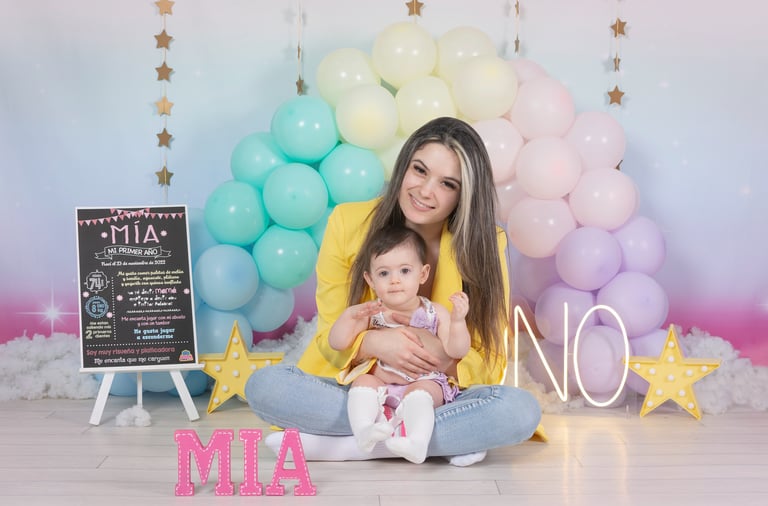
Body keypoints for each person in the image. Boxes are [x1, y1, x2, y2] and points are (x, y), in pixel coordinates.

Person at [245, 116, 542, 466]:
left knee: (520, 412)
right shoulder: (347, 223)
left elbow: (489, 355)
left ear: (464, 195)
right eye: (419, 170)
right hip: (361, 387)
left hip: (438, 395)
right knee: (265, 386)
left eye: (447, 184)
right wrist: (373, 343)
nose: (425, 191)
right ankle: (424, 439)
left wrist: (443, 358)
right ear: (404, 165)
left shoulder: (486, 243)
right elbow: (330, 332)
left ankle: (352, 443)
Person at [329, 224, 471, 463]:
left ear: (422, 274)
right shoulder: (371, 312)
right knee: (362, 382)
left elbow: (456, 350)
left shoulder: (434, 311)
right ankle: (364, 431)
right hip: (383, 386)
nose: (394, 281)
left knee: (423, 390)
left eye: (405, 271)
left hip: (423, 383)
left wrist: (457, 322)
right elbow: (338, 343)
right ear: (370, 279)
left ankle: (416, 443)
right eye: (384, 273)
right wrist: (350, 316)